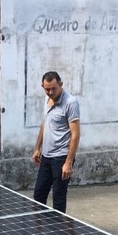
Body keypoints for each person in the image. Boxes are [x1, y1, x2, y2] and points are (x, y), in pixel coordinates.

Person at [31, 71, 81, 213]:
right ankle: (39, 232)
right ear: (43, 87)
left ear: (61, 84)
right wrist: (37, 148)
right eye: (47, 89)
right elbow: (44, 125)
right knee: (38, 195)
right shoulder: (47, 100)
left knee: (58, 199)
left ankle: (58, 233)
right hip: (46, 156)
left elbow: (76, 134)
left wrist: (68, 162)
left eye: (54, 88)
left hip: (61, 157)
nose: (51, 92)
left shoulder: (70, 103)